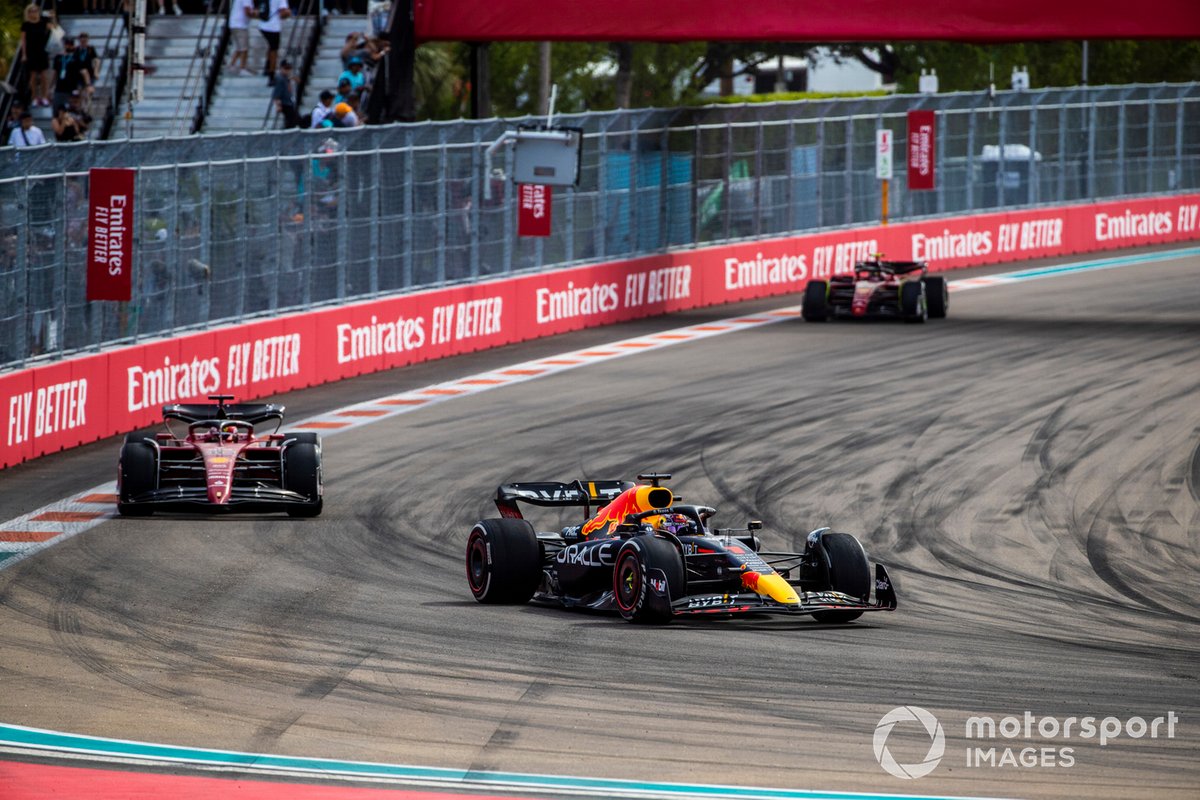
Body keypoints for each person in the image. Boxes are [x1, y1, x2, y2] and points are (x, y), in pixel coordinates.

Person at [19, 4, 52, 108]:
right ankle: (34, 97)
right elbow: (23, 41)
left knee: (43, 75)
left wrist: (53, 18)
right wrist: (24, 54)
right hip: (31, 52)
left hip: (42, 51)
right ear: (28, 13)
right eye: (31, 11)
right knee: (33, 75)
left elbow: (53, 30)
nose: (34, 13)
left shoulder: (44, 22)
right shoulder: (26, 25)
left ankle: (44, 97)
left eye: (36, 10)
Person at [52, 37, 92, 112]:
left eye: (70, 44)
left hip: (72, 87)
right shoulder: (58, 57)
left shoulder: (76, 57)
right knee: (57, 109)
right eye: (67, 44)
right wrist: (51, 87)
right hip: (60, 87)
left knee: (72, 108)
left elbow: (84, 71)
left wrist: (88, 85)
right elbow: (55, 73)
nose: (68, 46)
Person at [258, 0, 291, 82]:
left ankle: (267, 66)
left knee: (271, 46)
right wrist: (288, 13)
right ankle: (271, 74)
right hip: (273, 27)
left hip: (263, 25)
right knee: (274, 51)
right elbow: (282, 14)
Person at [227, 0, 254, 75]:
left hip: (234, 24)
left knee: (239, 48)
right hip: (240, 25)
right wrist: (258, 14)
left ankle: (232, 65)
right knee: (244, 48)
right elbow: (247, 11)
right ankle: (243, 68)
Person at [271, 60, 300, 128]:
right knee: (291, 120)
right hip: (284, 103)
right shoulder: (280, 79)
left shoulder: (286, 78)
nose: (288, 71)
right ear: (281, 68)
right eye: (286, 68)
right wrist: (278, 105)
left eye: (289, 68)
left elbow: (298, 81)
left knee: (293, 119)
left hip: (289, 102)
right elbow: (277, 93)